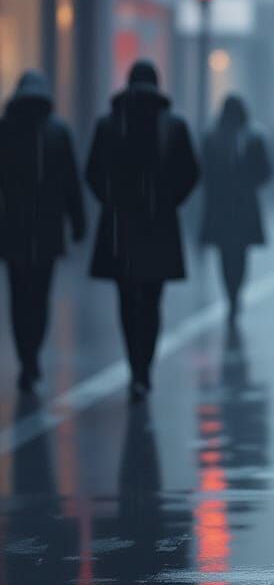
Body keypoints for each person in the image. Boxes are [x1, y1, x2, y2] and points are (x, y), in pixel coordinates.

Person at [85, 60, 200, 402]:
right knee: (151, 301)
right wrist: (168, 201)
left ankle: (135, 366)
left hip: (121, 225)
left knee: (126, 299)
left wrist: (112, 201)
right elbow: (191, 173)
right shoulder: (173, 126)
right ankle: (143, 370)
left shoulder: (109, 125)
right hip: (158, 225)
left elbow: (92, 172)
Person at [0, 71, 86, 392]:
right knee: (39, 295)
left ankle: (27, 356)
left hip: (13, 229)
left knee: (19, 297)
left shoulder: (5, 130)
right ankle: (32, 354)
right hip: (47, 229)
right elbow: (71, 183)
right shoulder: (59, 132)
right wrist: (78, 222)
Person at [200, 95, 273, 322]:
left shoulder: (252, 138)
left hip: (234, 205)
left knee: (235, 253)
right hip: (229, 205)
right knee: (230, 254)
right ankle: (232, 295)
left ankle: (234, 294)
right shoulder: (212, 139)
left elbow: (265, 171)